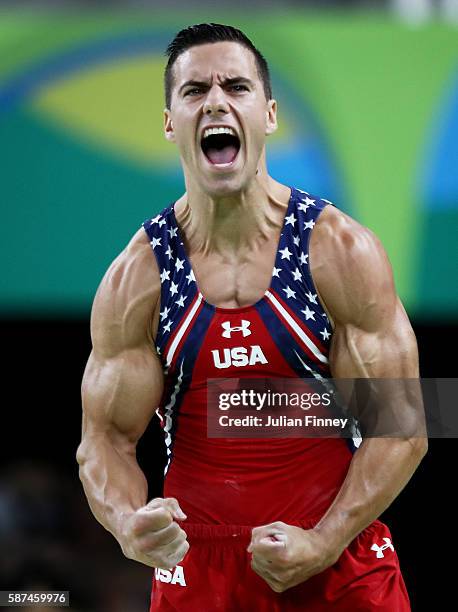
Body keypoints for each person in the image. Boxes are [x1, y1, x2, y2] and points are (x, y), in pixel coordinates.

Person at [77, 23, 427, 611]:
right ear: (170, 122)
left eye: (235, 86)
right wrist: (127, 524)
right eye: (194, 91)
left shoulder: (339, 251)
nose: (216, 101)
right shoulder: (137, 278)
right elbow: (104, 440)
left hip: (336, 558)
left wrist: (325, 539)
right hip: (201, 567)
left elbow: (404, 425)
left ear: (268, 114)